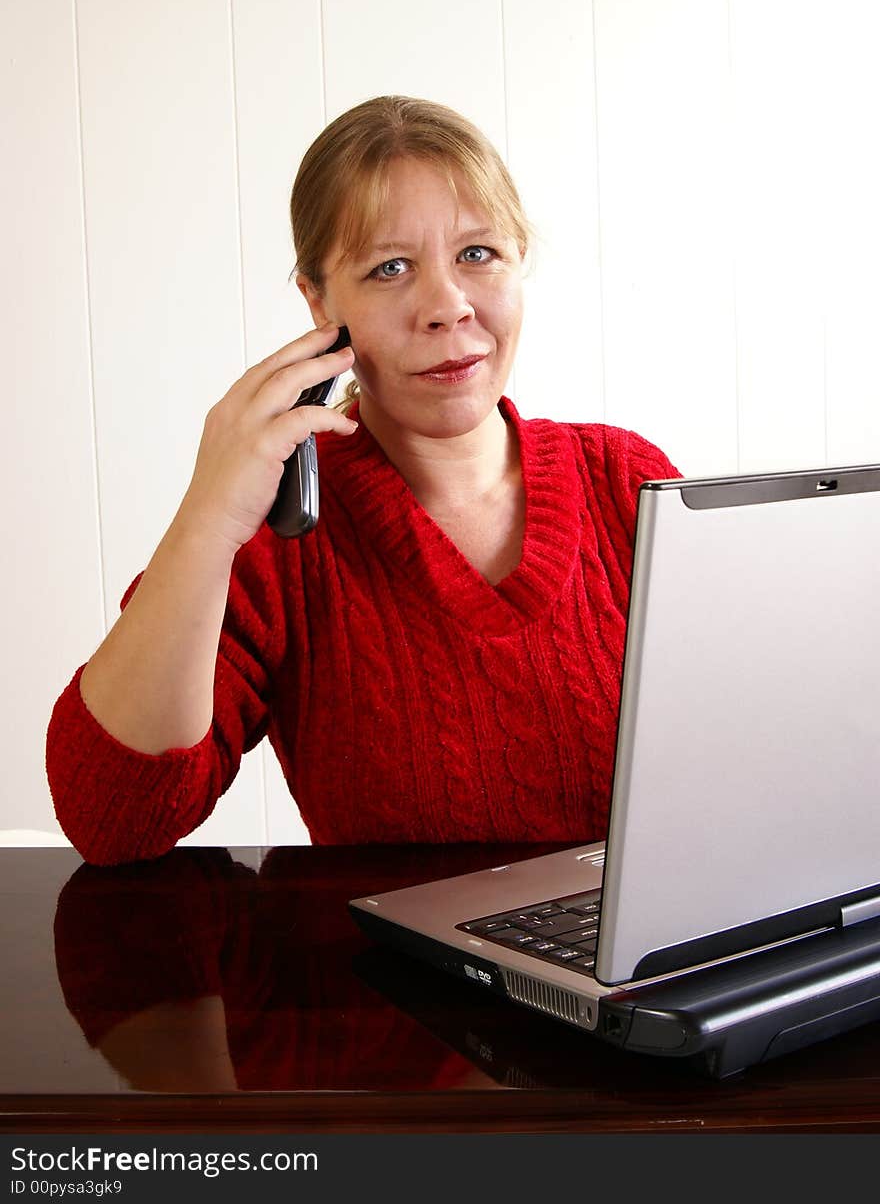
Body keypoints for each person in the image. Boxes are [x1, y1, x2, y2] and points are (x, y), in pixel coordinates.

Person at [45, 95, 681, 867]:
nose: (446, 307)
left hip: (630, 982)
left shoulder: (628, 480)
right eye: (389, 268)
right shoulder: (282, 532)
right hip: (386, 988)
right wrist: (209, 519)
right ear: (319, 302)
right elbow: (114, 818)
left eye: (477, 253)